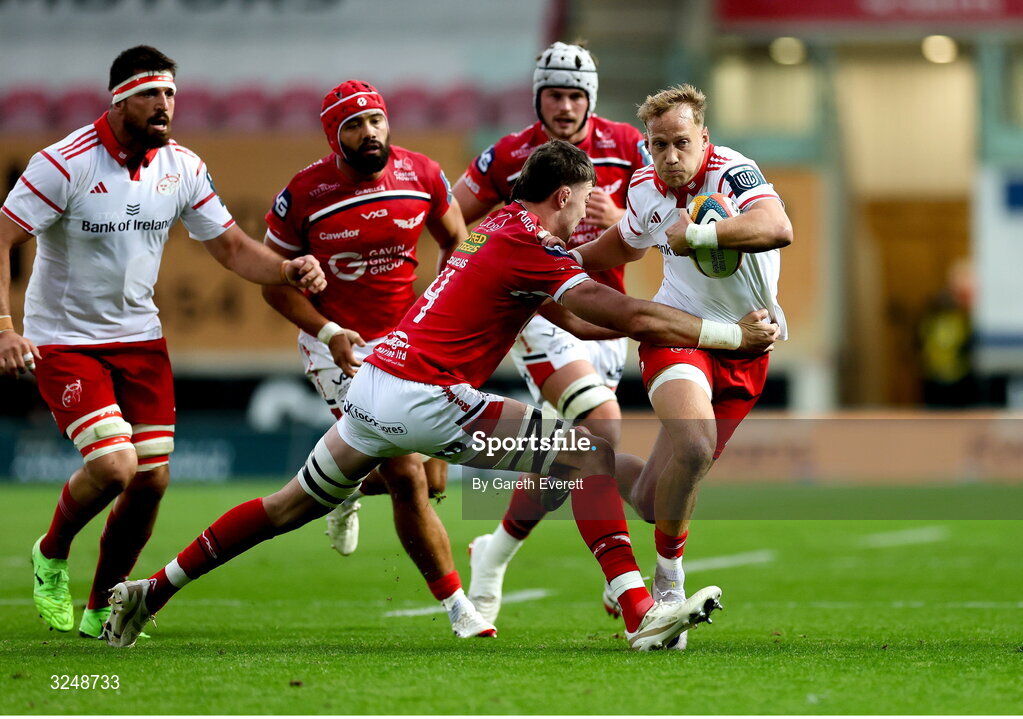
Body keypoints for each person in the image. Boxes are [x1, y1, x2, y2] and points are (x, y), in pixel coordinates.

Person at [102, 140, 778, 651]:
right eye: (585, 196)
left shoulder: (498, 227)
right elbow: (627, 316)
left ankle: (150, 591)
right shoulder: (536, 247)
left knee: (286, 505)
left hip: (374, 387)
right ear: (566, 194)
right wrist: (727, 333)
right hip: (427, 395)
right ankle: (639, 611)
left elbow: (570, 315)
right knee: (581, 456)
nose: (588, 209)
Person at [0, 45, 326, 639]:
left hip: (142, 339)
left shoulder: (182, 166)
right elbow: (1, 238)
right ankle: (51, 553)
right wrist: (4, 329)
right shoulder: (64, 162)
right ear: (120, 97)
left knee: (152, 480)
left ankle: (103, 607)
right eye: (153, 93)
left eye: (172, 93)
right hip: (66, 340)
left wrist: (285, 268)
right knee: (118, 466)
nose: (165, 104)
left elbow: (230, 247)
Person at [550, 83, 793, 650]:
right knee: (694, 446)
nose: (669, 157)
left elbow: (778, 227)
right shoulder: (644, 186)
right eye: (658, 145)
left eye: (680, 143)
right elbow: (628, 244)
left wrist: (700, 232)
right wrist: (565, 260)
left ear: (703, 138)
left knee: (652, 498)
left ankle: (594, 466)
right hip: (679, 335)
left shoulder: (733, 173)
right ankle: (667, 584)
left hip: (749, 349)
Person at [260, 80, 494, 637]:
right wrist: (326, 326)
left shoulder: (424, 176)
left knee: (428, 479)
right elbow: (272, 284)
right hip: (336, 345)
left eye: (376, 121)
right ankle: (460, 609)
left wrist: (441, 312)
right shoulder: (304, 194)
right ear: (333, 135)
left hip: (407, 344)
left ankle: (341, 489)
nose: (369, 133)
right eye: (354, 125)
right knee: (408, 473)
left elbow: (459, 243)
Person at [452, 41, 650, 622]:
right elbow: (454, 221)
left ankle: (494, 552)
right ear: (537, 96)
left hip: (602, 314)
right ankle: (626, 584)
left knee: (568, 460)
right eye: (553, 94)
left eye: (574, 95)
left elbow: (671, 212)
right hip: (541, 313)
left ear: (590, 98)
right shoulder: (507, 155)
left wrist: (624, 221)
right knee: (600, 424)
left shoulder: (630, 146)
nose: (564, 106)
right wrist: (483, 261)